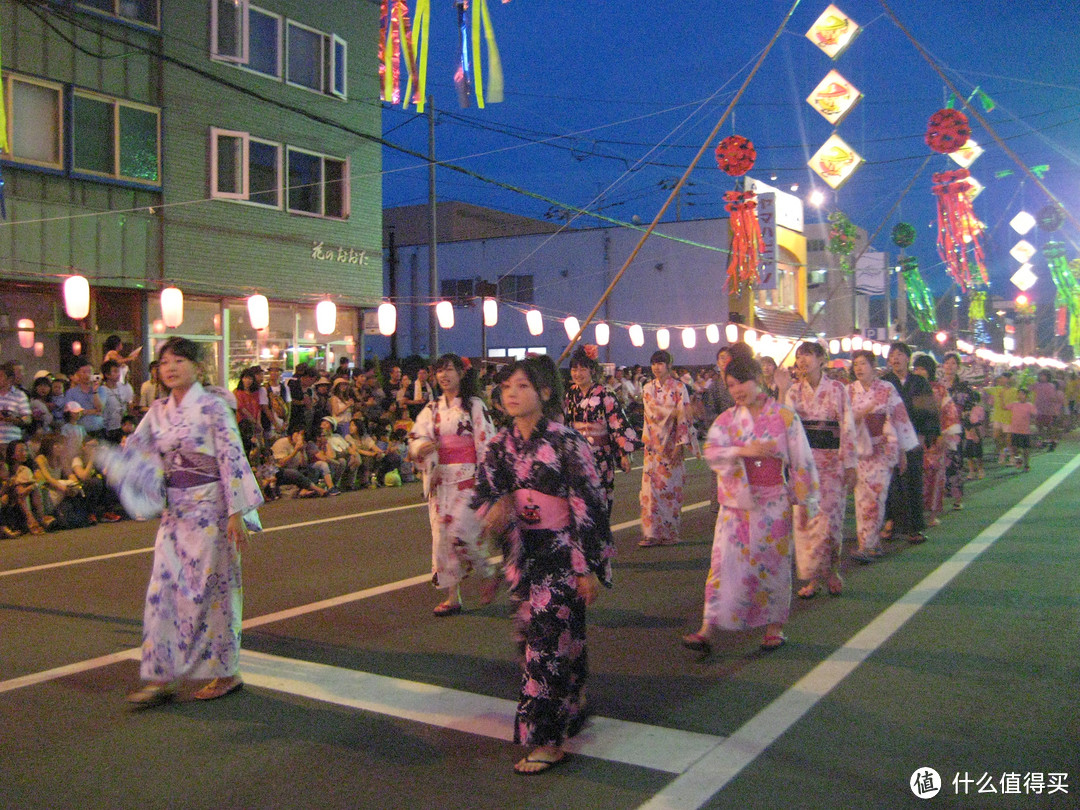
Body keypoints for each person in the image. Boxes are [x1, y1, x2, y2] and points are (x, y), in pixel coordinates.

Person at [472, 355, 613, 775]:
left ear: (545, 392)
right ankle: (572, 701)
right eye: (507, 387)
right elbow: (485, 496)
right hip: (523, 554)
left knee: (546, 647)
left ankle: (547, 741)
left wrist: (587, 566)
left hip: (562, 552)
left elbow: (589, 505)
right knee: (532, 638)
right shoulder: (499, 446)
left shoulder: (569, 442)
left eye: (522, 386)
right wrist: (494, 514)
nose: (512, 394)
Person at [111, 337, 263, 708]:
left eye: (179, 360)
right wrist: (106, 458)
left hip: (212, 511)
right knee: (162, 591)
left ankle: (226, 671)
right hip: (175, 513)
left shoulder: (214, 406)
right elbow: (137, 453)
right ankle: (160, 674)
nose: (170, 367)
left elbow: (231, 456)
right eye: (164, 362)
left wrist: (236, 512)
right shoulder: (158, 411)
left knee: (213, 593)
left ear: (198, 366)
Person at [682, 354, 819, 654]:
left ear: (758, 378)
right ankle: (708, 627)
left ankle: (774, 627)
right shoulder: (727, 420)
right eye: (731, 385)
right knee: (722, 563)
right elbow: (713, 452)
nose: (737, 390)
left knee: (773, 564)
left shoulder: (784, 417)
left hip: (772, 503)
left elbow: (802, 462)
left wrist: (806, 503)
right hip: (735, 506)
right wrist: (744, 450)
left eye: (742, 381)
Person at [408, 354, 498, 616]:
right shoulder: (432, 408)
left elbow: (486, 443)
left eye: (449, 370)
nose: (443, 376)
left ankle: (489, 572)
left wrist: (487, 479)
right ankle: (453, 595)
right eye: (439, 371)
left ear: (461, 373)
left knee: (462, 531)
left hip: (468, 477)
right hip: (441, 480)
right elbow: (416, 435)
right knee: (442, 539)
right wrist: (422, 447)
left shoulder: (474, 406)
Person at [784, 341, 856, 598]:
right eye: (799, 357)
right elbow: (789, 429)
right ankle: (812, 577)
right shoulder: (792, 392)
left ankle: (832, 570)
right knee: (804, 521)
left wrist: (849, 463)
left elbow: (847, 427)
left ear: (821, 360)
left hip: (831, 464)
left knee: (830, 521)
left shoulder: (837, 389)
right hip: (804, 465)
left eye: (808, 356)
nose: (802, 361)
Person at [847, 350, 919, 562]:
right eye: (856, 365)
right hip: (860, 451)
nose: (858, 368)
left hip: (881, 449)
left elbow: (900, 419)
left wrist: (904, 451)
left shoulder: (887, 389)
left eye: (863, 364)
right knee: (861, 498)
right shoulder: (849, 390)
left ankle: (867, 545)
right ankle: (871, 543)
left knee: (876, 497)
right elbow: (843, 422)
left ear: (873, 366)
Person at [564, 345, 637, 516]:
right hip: (577, 456)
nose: (578, 373)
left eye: (583, 368)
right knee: (578, 501)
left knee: (599, 499)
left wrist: (623, 453)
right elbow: (566, 425)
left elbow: (617, 424)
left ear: (592, 371)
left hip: (599, 456)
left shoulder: (605, 394)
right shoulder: (570, 395)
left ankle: (601, 538)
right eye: (575, 368)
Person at [881, 342, 939, 544]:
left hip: (913, 437)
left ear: (908, 358)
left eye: (899, 354)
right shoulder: (884, 382)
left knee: (914, 480)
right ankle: (890, 521)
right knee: (891, 481)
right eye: (892, 355)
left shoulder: (919, 382)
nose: (895, 358)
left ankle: (915, 527)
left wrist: (924, 434)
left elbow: (928, 410)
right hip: (890, 438)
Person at [638, 350, 696, 547]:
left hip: (671, 443)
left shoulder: (679, 388)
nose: (656, 367)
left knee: (669, 489)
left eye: (661, 363)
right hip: (653, 446)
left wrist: (680, 444)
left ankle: (670, 532)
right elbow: (648, 418)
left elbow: (683, 417)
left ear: (669, 365)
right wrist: (648, 440)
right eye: (654, 363)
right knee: (649, 490)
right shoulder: (647, 388)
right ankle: (651, 533)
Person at [912, 355, 960, 526]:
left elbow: (949, 412)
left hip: (934, 440)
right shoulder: (909, 388)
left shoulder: (939, 390)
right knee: (914, 478)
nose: (918, 372)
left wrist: (944, 434)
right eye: (916, 368)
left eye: (922, 368)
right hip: (913, 441)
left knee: (934, 477)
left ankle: (932, 514)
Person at [939, 352, 974, 510]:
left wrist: (969, 428)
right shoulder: (938, 385)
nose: (950, 366)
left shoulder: (963, 386)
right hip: (940, 428)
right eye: (947, 363)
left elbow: (968, 408)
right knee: (939, 461)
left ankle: (957, 497)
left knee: (956, 461)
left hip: (957, 428)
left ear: (958, 367)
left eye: (953, 363)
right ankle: (940, 494)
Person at [63, 360, 106, 439]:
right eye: (84, 372)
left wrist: (95, 391)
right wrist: (93, 411)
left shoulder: (101, 390)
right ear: (78, 374)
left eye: (89, 372)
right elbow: (73, 413)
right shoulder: (71, 392)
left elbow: (100, 409)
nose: (87, 375)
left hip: (98, 429)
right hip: (79, 431)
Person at [100, 360, 134, 444]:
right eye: (115, 371)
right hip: (109, 429)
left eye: (118, 371)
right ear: (107, 374)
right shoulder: (102, 390)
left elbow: (129, 403)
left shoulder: (123, 386)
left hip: (123, 427)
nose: (118, 374)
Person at [0, 361, 33, 447]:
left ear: (9, 379)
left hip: (11, 441)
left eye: (1, 376)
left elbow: (28, 418)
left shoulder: (20, 395)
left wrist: (13, 419)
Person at [1005, 388, 1036, 472]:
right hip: (1015, 430)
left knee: (1025, 449)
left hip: (1025, 430)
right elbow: (1004, 407)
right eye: (1019, 394)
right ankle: (1018, 459)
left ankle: (1026, 465)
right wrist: (1001, 397)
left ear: (1026, 396)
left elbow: (1034, 415)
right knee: (1014, 447)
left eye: (1022, 394)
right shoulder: (1014, 404)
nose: (1020, 396)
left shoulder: (1029, 405)